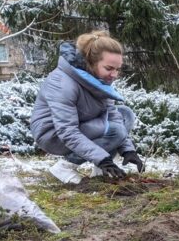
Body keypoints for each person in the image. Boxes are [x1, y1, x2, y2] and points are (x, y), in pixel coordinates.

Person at [31, 30, 144, 184]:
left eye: (117, 69)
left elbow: (112, 116)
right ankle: (64, 167)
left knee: (125, 114)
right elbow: (67, 130)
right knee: (115, 130)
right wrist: (103, 158)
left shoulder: (98, 80)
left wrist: (128, 150)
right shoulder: (62, 82)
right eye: (109, 68)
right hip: (53, 135)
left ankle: (100, 171)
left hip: (80, 126)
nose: (114, 75)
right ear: (90, 63)